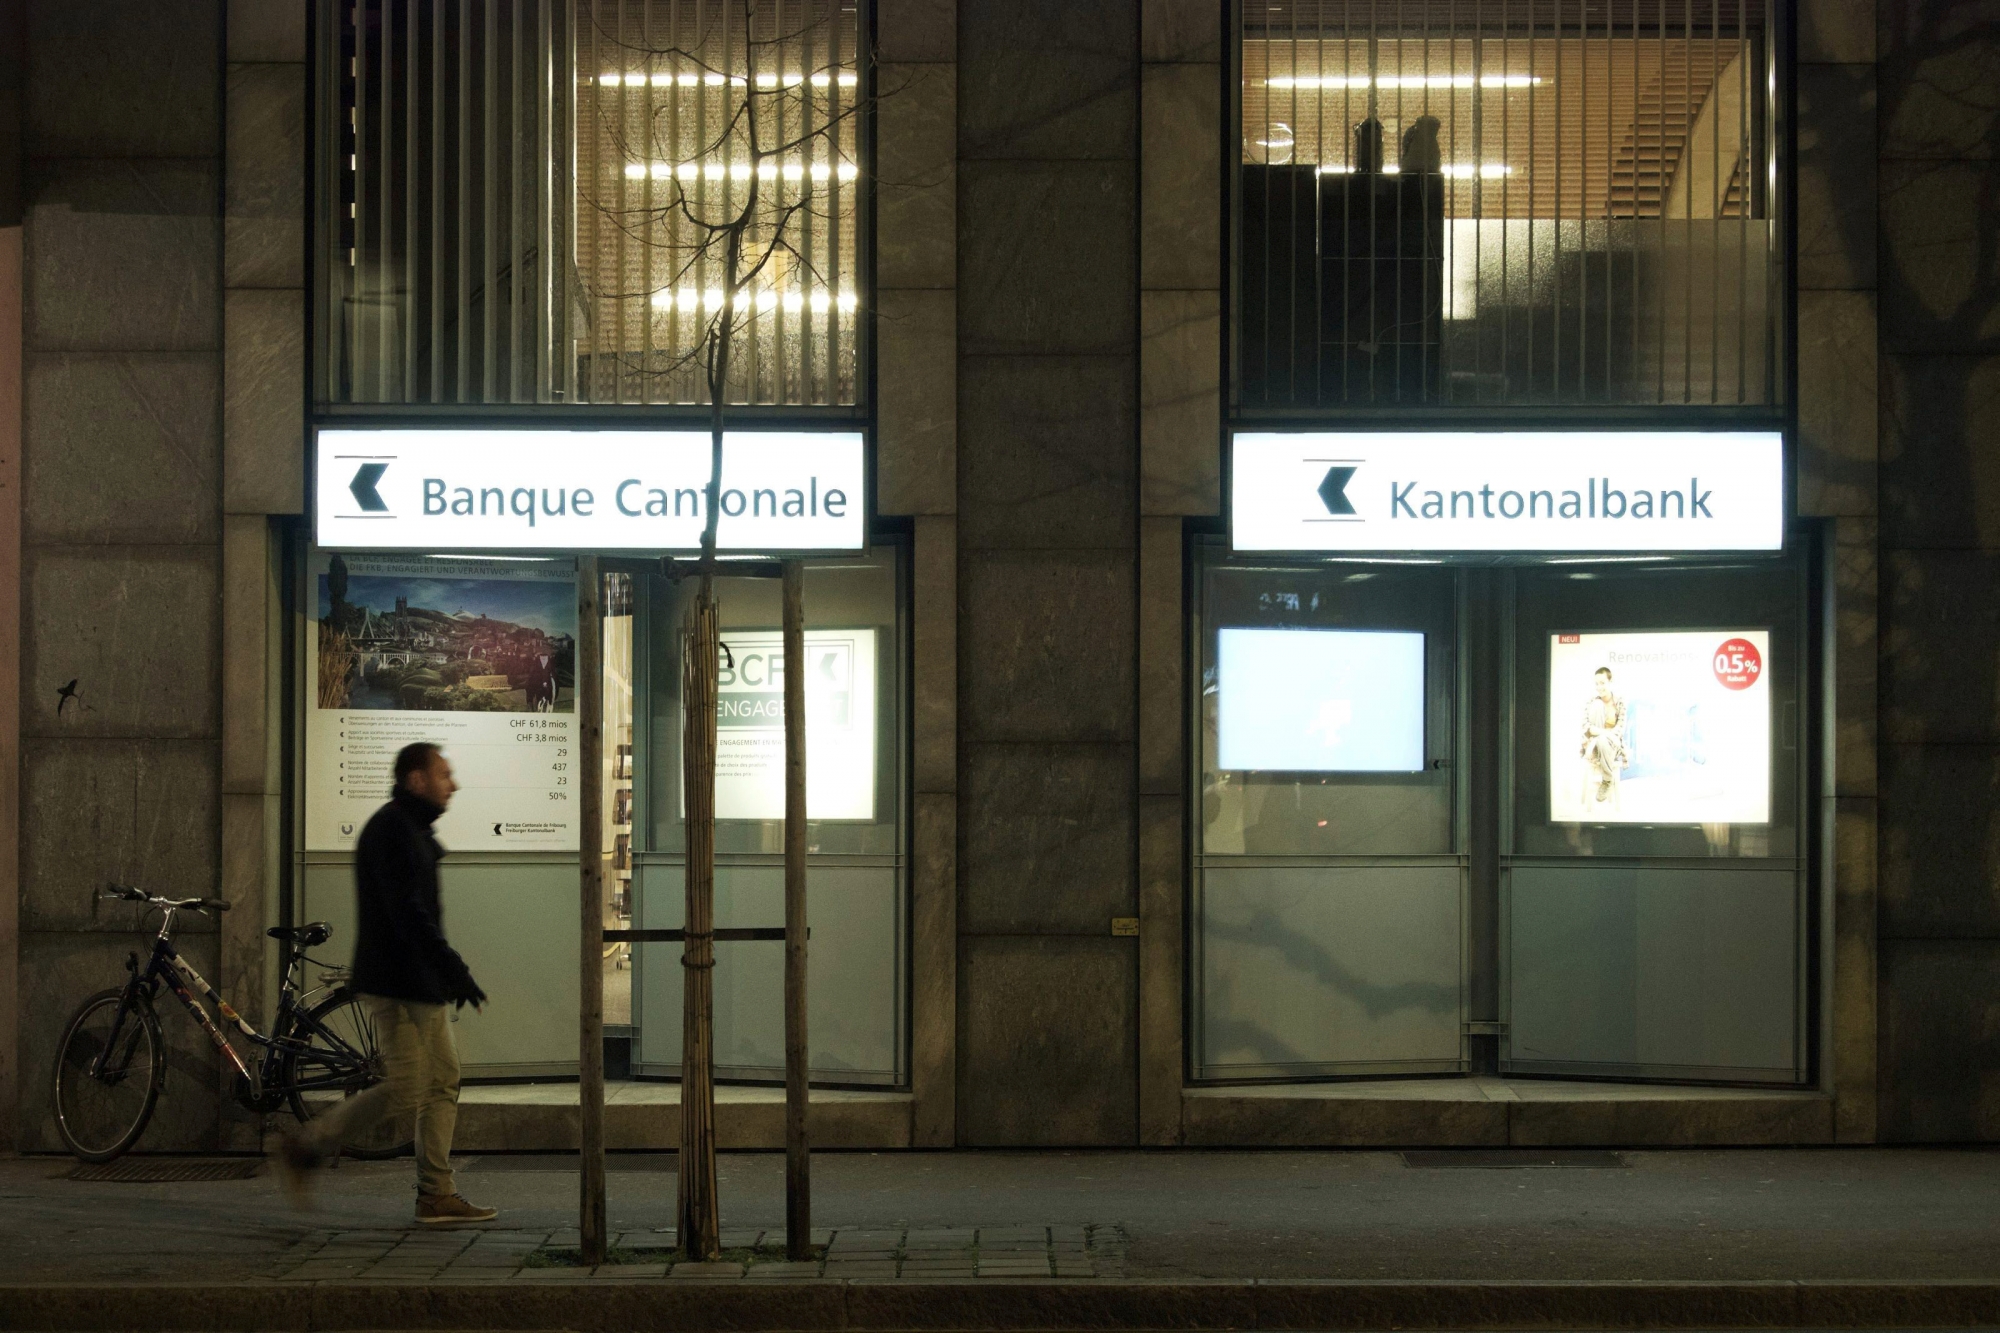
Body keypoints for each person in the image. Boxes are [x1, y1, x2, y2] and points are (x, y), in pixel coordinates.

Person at [281, 742, 497, 1224]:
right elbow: (410, 914)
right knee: (416, 1086)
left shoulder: (406, 827)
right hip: (403, 981)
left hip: (410, 978)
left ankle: (434, 1192)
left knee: (435, 1081)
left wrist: (446, 972)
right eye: (444, 774)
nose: (453, 784)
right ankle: (313, 1147)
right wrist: (454, 971)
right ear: (416, 780)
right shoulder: (393, 830)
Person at [1580, 666, 1629, 805]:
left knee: (1603, 741)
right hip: (1593, 746)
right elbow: (1586, 727)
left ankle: (1607, 781)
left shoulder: (1619, 702)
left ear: (1610, 681)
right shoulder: (1592, 702)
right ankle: (1608, 779)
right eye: (1596, 683)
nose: (1599, 687)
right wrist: (1603, 735)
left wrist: (1604, 737)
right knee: (1597, 705)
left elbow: (1620, 729)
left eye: (1602, 683)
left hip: (1612, 747)